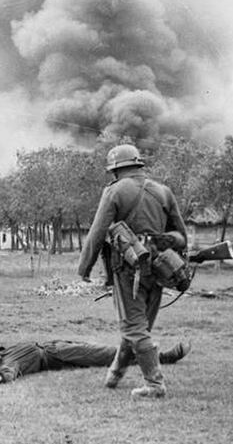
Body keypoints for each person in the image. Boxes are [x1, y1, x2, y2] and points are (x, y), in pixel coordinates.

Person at [77, 143, 188, 399]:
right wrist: (161, 242)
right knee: (138, 326)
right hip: (161, 269)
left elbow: (97, 232)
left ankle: (154, 384)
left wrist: (85, 268)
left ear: (116, 170)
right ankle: (115, 374)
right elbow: (181, 237)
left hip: (128, 270)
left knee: (134, 327)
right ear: (138, 165)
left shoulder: (115, 191)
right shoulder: (164, 192)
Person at [0, 339, 191, 387]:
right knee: (110, 354)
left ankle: (156, 356)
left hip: (56, 346)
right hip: (61, 355)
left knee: (109, 352)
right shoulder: (5, 365)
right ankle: (165, 358)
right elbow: (5, 376)